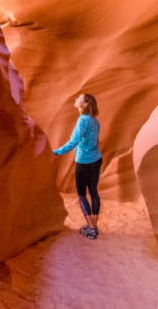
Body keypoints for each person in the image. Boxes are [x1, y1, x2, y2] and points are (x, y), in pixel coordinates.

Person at [53, 94, 102, 240]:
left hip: (84, 162)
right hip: (97, 159)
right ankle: (94, 225)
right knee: (93, 191)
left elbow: (73, 141)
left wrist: (56, 152)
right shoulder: (95, 121)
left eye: (79, 98)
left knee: (81, 194)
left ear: (85, 104)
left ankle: (91, 229)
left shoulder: (82, 121)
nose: (76, 100)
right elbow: (95, 141)